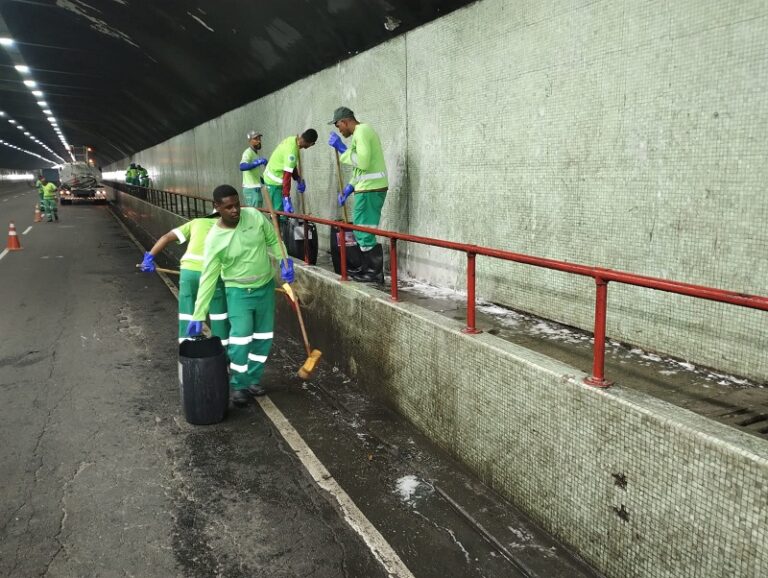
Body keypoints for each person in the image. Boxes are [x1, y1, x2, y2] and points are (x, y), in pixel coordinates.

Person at [187, 185, 295, 407]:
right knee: (240, 338)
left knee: (264, 338)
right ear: (216, 207)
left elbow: (273, 240)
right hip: (237, 292)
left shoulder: (254, 216)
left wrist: (283, 259)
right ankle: (239, 384)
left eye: (236, 204)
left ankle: (254, 379)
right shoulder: (215, 239)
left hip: (264, 287)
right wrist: (198, 314)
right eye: (228, 207)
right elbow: (208, 277)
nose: (235, 210)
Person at [138, 214, 229, 345]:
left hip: (189, 271)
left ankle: (187, 354)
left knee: (187, 314)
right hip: (213, 274)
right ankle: (222, 354)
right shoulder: (230, 227)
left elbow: (166, 237)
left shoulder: (197, 222)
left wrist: (149, 258)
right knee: (219, 316)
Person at [328, 107, 388, 283]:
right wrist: (349, 187)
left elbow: (362, 161)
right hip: (367, 188)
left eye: (339, 125)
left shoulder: (361, 132)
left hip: (370, 189)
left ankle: (373, 272)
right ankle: (367, 268)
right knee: (362, 228)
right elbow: (361, 169)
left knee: (364, 229)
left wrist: (341, 148)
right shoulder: (360, 133)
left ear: (346, 121)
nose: (339, 130)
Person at [262, 129, 317, 216]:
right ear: (311, 144)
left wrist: (297, 178)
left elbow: (290, 165)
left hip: (275, 177)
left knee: (282, 213)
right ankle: (278, 228)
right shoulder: (292, 152)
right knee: (278, 214)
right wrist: (286, 197)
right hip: (273, 182)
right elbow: (287, 176)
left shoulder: (293, 139)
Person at [239, 131, 267, 207]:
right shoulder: (248, 152)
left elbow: (253, 172)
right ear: (250, 141)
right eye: (255, 139)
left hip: (255, 188)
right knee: (254, 214)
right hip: (251, 189)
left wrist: (264, 181)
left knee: (257, 213)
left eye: (259, 138)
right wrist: (257, 162)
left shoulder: (255, 153)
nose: (259, 141)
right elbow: (242, 166)